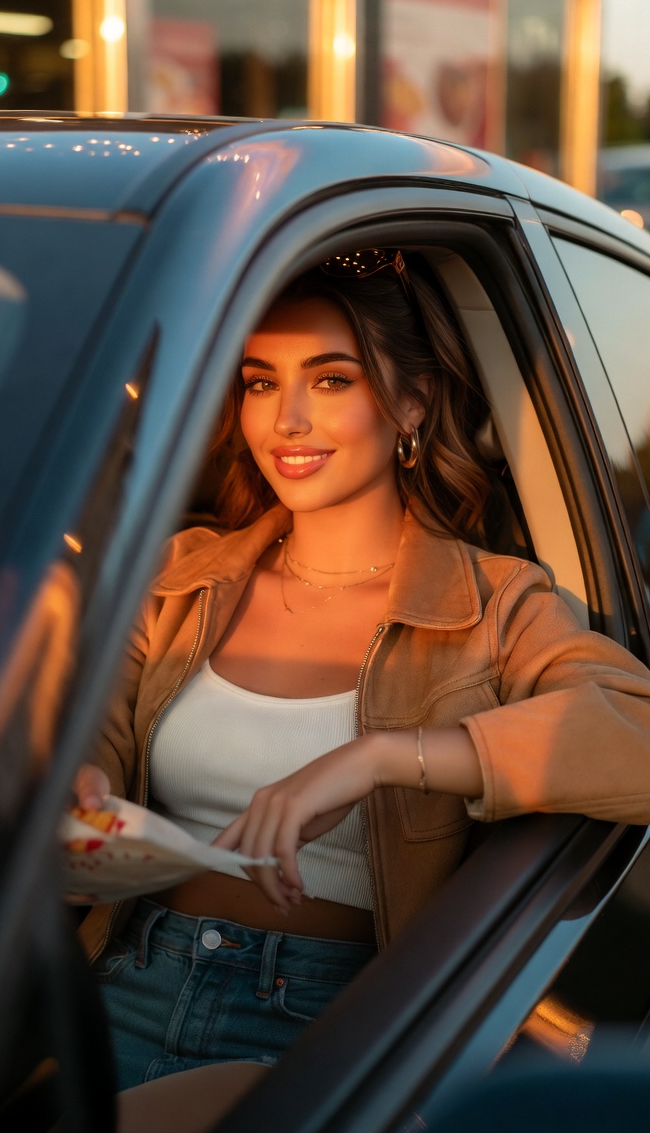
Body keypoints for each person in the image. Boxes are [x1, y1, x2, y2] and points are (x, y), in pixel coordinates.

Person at [74, 247, 650, 1099]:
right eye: (261, 381)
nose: (286, 420)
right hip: (117, 979)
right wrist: (73, 780)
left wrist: (378, 757)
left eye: (331, 380)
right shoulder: (181, 576)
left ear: (411, 402)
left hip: (329, 1023)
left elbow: (634, 736)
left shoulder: (494, 606)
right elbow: (91, 723)